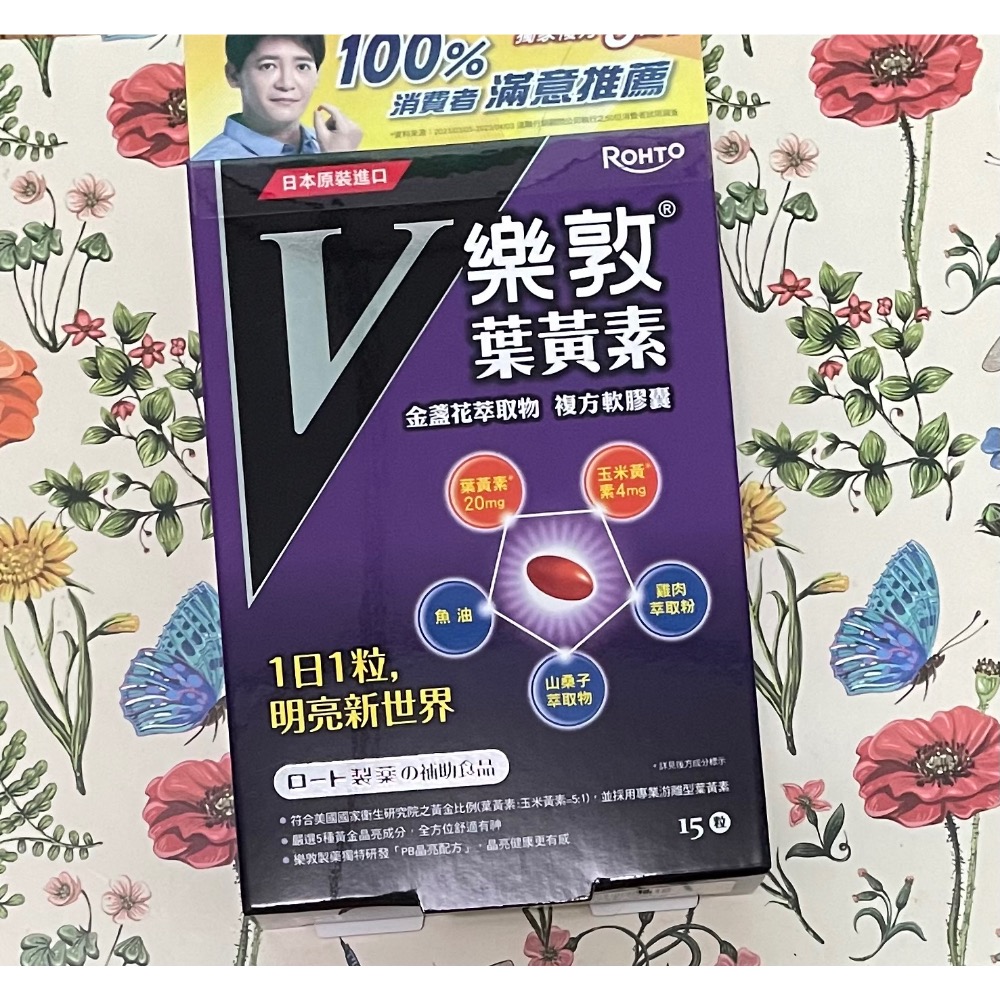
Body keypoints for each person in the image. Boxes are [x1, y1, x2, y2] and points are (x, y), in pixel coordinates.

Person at [191, 35, 363, 161]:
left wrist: (343, 160)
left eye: (302, 66)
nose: (286, 84)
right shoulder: (208, 169)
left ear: (317, 75)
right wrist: (339, 163)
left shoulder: (336, 145)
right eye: (268, 66)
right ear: (233, 75)